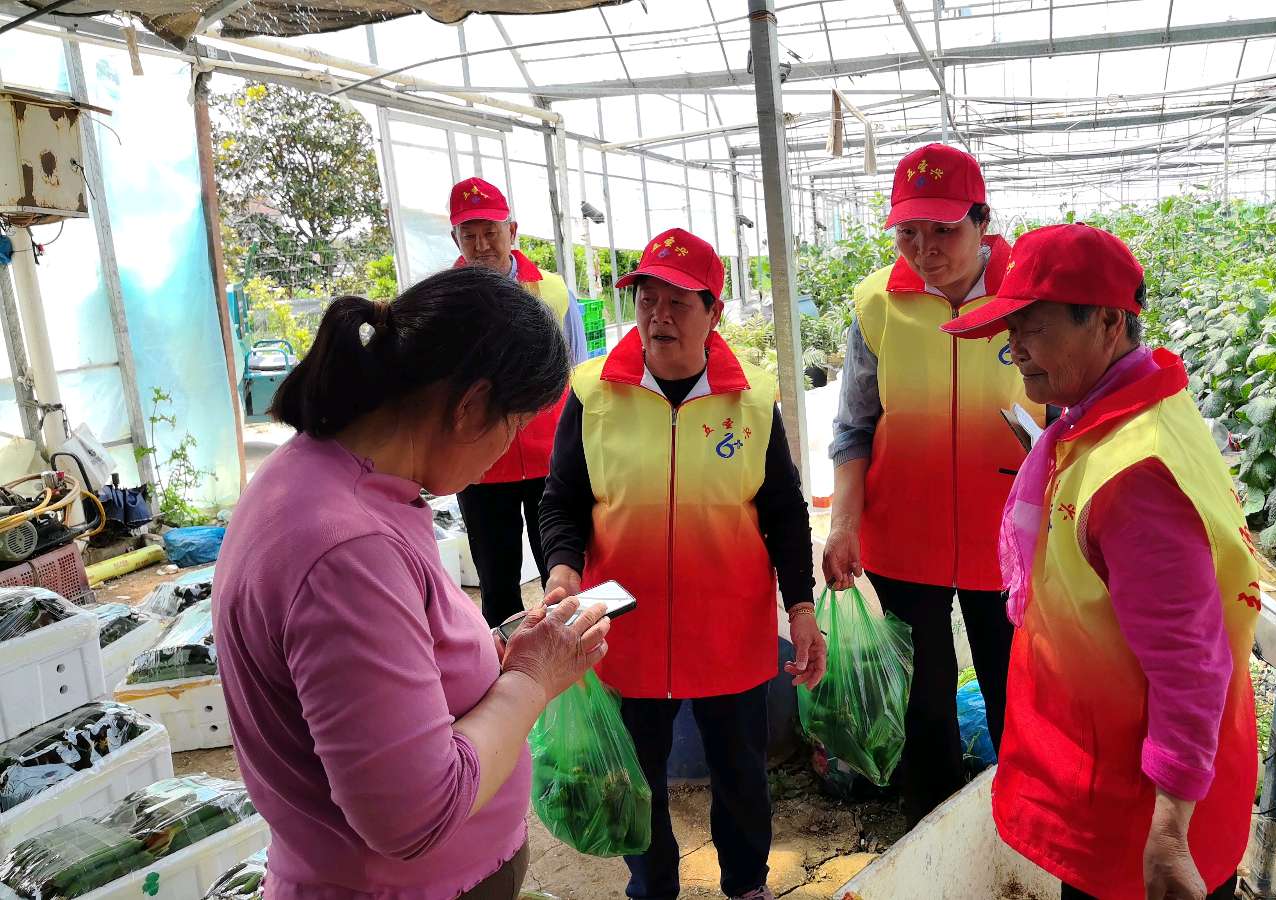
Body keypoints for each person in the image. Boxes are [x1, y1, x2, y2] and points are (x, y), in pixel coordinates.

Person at [212, 267, 612, 899]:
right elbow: (415, 814)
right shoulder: (348, 551)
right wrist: (533, 679)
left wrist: (488, 657)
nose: (507, 449)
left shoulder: (320, 474)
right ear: (470, 407)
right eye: (514, 425)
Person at [940, 224, 1260, 900]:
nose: (1015, 351)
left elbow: (1190, 664)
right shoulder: (1136, 409)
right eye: (1009, 331)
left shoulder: (1134, 475)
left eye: (1033, 327)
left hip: (1139, 817)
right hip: (1119, 782)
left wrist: (1169, 833)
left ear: (1109, 323)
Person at [540, 228, 824, 900]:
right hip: (624, 624)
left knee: (741, 773)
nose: (658, 315)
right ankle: (652, 889)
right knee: (637, 778)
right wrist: (562, 570)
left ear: (714, 312)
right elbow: (562, 500)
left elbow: (784, 512)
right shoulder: (591, 393)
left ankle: (747, 885)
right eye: (647, 298)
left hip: (729, 624)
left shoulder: (751, 400)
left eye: (678, 302)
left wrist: (801, 605)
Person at [822, 142, 1040, 825]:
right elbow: (855, 427)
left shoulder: (1030, 294)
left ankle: (1021, 830)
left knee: (1017, 694)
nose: (925, 249)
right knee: (923, 702)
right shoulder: (878, 305)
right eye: (908, 232)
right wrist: (843, 525)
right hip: (904, 536)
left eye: (943, 229)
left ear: (982, 221)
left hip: (1008, 543)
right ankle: (933, 830)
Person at [449, 175, 588, 628]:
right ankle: (505, 665)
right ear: (455, 238)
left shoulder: (553, 291)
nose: (481, 245)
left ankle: (570, 661)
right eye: (469, 234)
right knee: (497, 584)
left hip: (552, 462)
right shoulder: (443, 302)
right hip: (480, 465)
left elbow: (578, 371)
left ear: (512, 230)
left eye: (490, 231)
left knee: (562, 575)